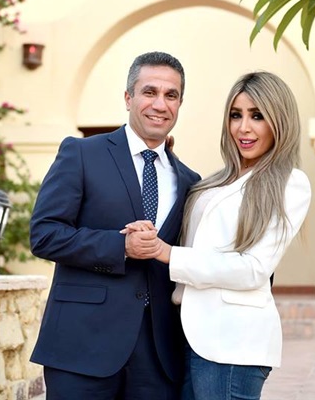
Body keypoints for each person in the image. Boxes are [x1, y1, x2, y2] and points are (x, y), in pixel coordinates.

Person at [122, 71, 312, 400]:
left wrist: (168, 253)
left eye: (257, 116)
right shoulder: (216, 181)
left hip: (232, 343)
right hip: (186, 335)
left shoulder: (289, 183)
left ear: (280, 121)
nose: (243, 128)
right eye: (236, 115)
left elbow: (254, 269)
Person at [29, 51, 201, 400]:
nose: (160, 104)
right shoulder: (81, 154)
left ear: (180, 104)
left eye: (171, 95)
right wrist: (119, 247)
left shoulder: (190, 181)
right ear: (128, 98)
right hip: (81, 346)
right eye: (149, 92)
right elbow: (44, 234)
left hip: (158, 358)